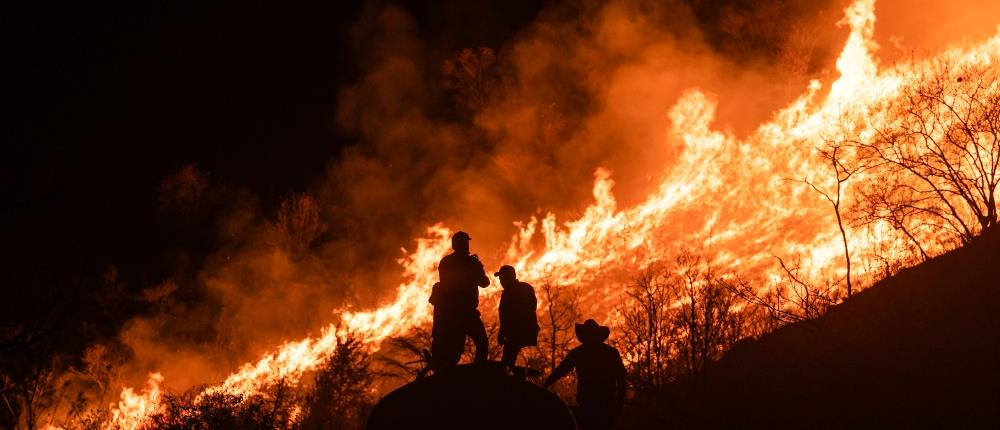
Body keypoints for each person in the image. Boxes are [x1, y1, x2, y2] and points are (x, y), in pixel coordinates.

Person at [543, 319, 627, 430]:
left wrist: (544, 386)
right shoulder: (611, 353)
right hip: (605, 406)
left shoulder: (578, 353)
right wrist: (619, 405)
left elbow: (560, 371)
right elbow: (622, 379)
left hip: (589, 405)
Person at [430, 231, 490, 371]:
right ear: (460, 244)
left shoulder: (446, 262)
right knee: (481, 342)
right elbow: (484, 283)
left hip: (451, 314)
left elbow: (445, 282)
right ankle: (478, 372)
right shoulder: (471, 262)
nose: (467, 245)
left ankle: (448, 375)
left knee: (455, 350)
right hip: (466, 312)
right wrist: (478, 267)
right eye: (465, 242)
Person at [495, 265, 539, 375]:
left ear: (510, 277)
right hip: (515, 332)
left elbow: (529, 309)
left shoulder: (522, 289)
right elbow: (505, 317)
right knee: (508, 358)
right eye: (500, 279)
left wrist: (506, 330)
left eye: (502, 278)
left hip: (520, 331)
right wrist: (502, 331)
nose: (501, 281)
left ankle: (508, 379)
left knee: (507, 360)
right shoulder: (512, 291)